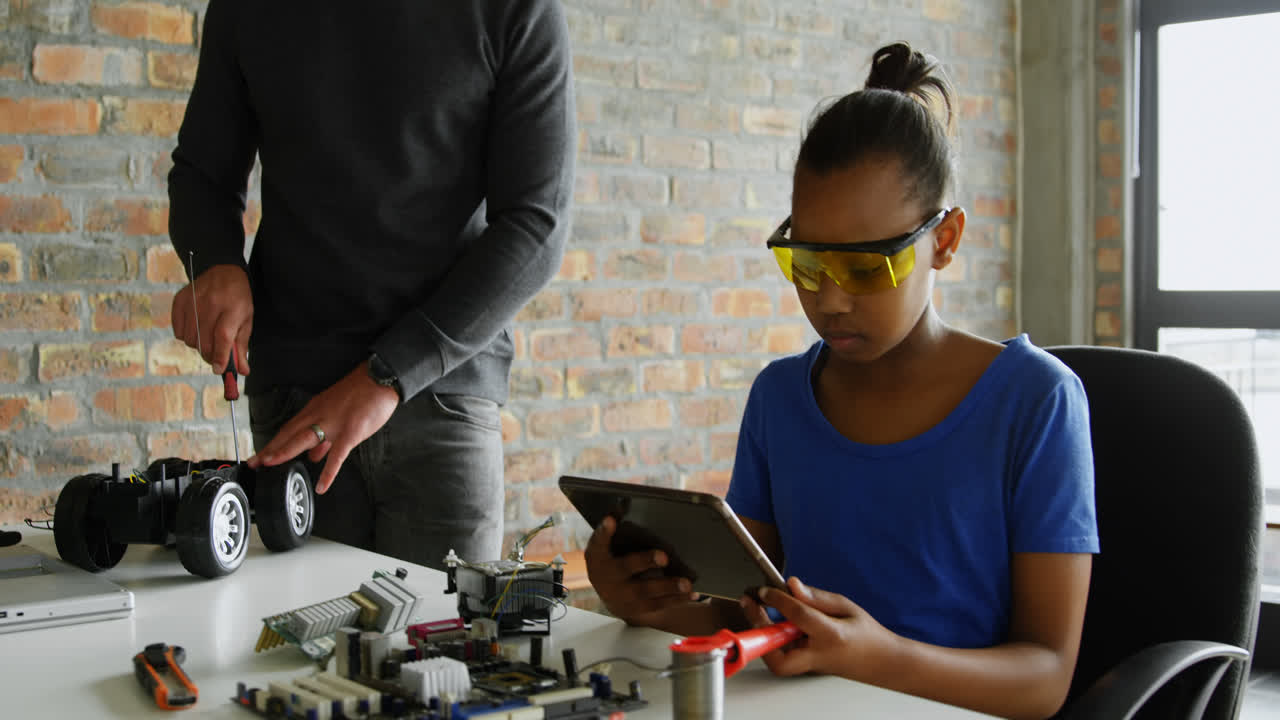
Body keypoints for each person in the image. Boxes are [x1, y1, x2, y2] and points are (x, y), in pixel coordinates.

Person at [584, 42, 1097, 720]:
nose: (828, 298)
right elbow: (743, 609)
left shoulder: (1035, 402)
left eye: (864, 267)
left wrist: (876, 655)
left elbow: (1045, 678)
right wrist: (641, 601)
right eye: (806, 261)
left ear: (944, 242)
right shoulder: (779, 399)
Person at [166, 1, 575, 569]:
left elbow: (538, 224)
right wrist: (215, 262)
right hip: (295, 401)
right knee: (291, 653)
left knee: (444, 651)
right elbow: (203, 176)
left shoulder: (516, 9)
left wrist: (387, 376)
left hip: (442, 399)